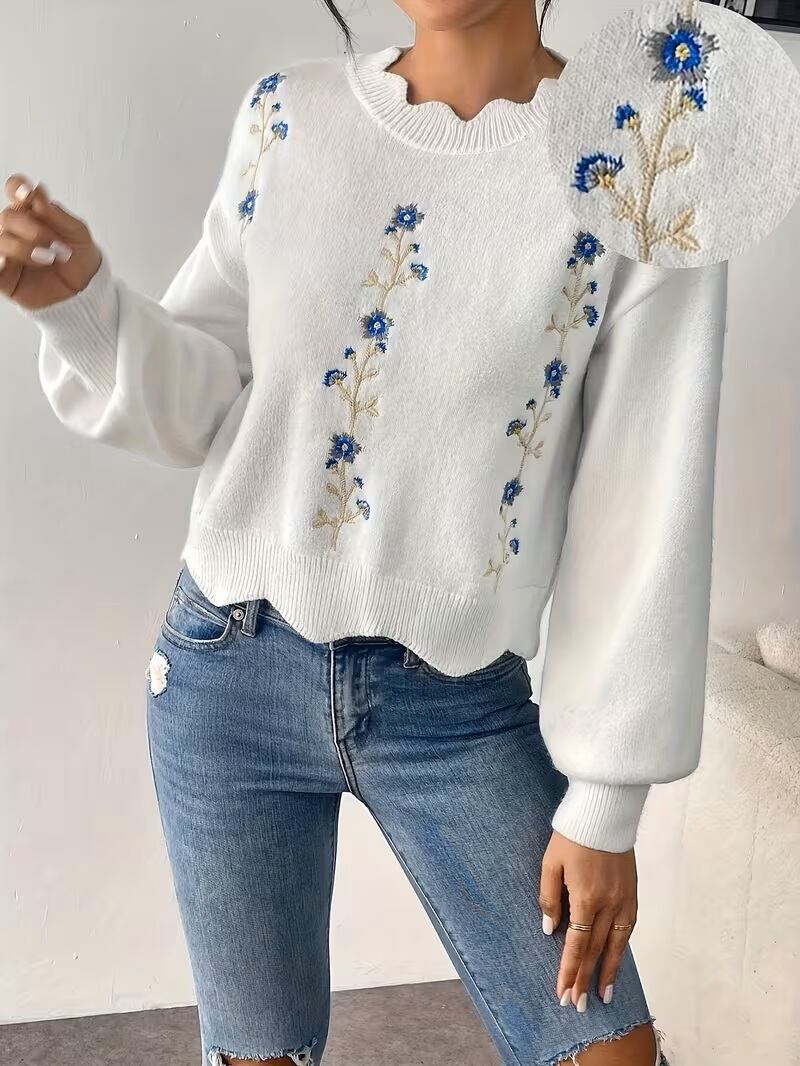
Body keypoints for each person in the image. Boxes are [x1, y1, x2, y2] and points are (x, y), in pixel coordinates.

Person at [2, 0, 726, 1063]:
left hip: (458, 707)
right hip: (227, 666)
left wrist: (605, 800)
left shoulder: (644, 167)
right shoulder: (287, 116)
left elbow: (646, 497)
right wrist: (82, 308)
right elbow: (209, 406)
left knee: (603, 1050)